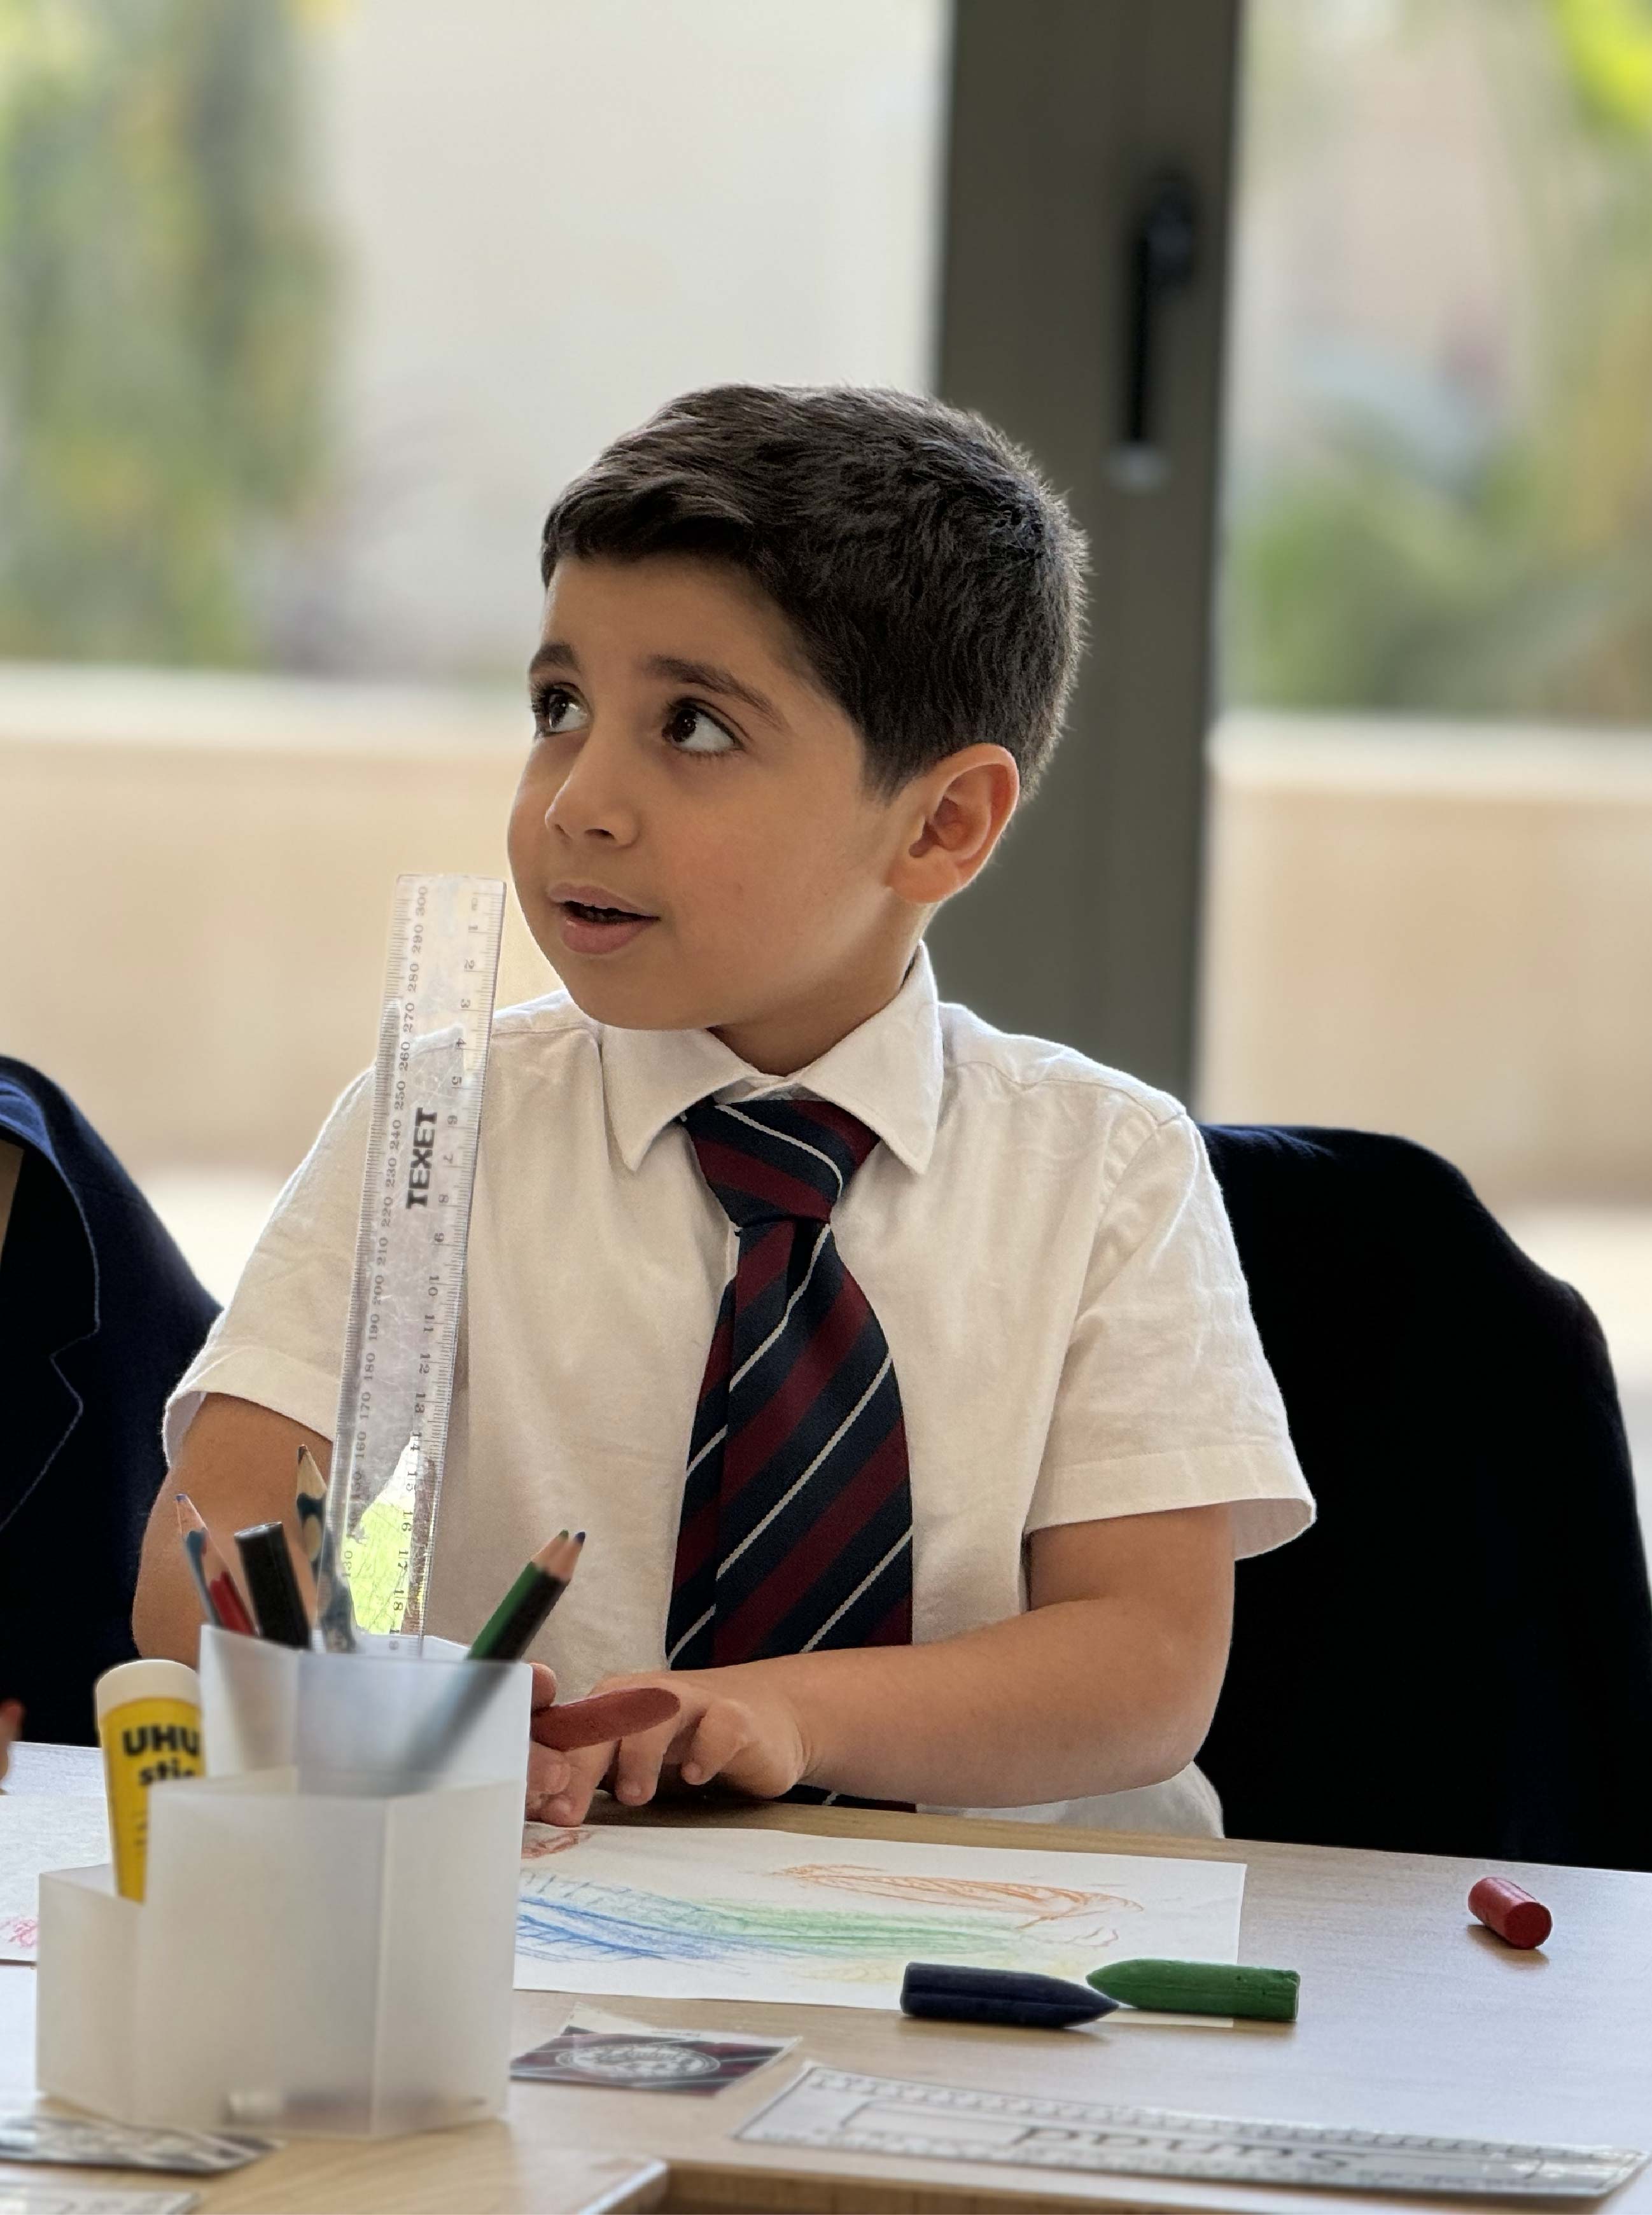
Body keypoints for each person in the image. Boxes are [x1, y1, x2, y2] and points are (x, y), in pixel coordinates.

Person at [133, 385, 1312, 1833]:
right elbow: (206, 1570)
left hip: (988, 1928)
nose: (578, 801)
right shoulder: (436, 1126)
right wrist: (374, 1695)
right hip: (540, 1903)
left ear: (940, 824)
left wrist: (781, 1711)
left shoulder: (1109, 1170)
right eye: (559, 708)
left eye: (691, 727)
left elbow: (1143, 1664)